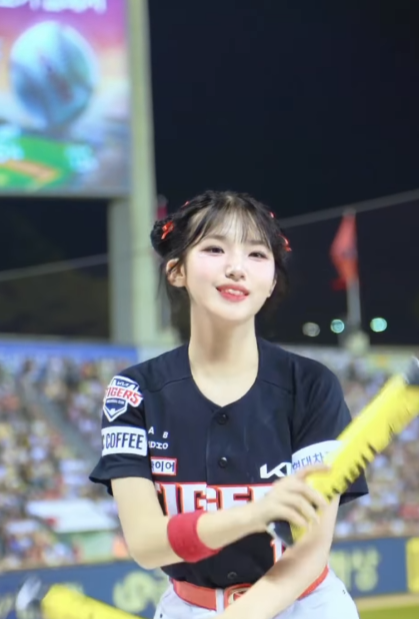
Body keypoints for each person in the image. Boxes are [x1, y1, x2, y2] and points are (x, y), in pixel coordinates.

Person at [89, 191, 368, 619]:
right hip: (188, 607)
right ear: (176, 270)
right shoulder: (132, 391)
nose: (236, 267)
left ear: (271, 280)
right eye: (215, 249)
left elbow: (308, 553)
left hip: (306, 605)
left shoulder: (312, 386)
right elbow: (145, 544)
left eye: (257, 254)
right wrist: (256, 513)